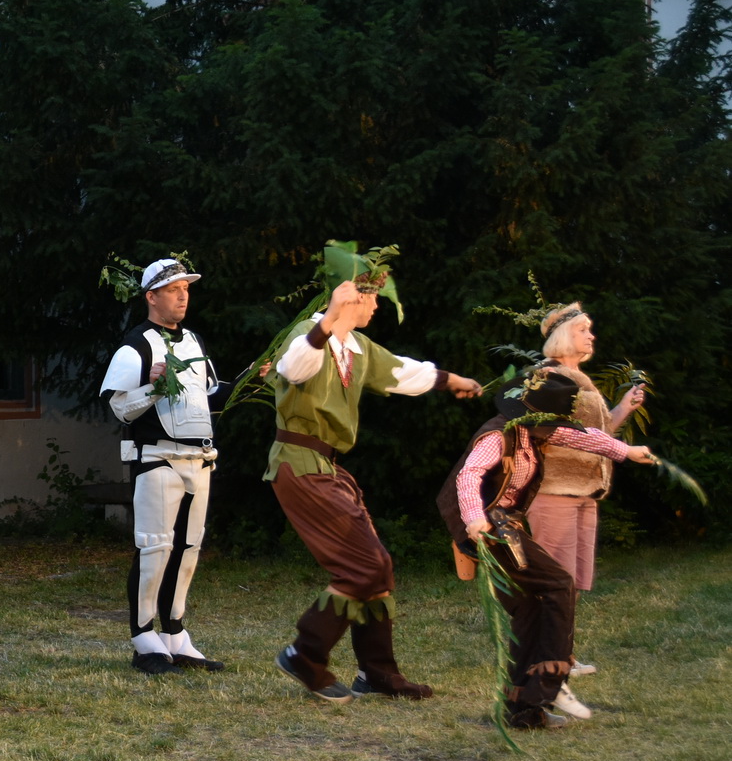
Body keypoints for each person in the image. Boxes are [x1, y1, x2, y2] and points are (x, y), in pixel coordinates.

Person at [267, 255, 480, 703]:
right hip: (299, 464)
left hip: (328, 468)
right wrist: (327, 319)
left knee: (377, 566)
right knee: (363, 567)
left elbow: (406, 372)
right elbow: (293, 368)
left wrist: (454, 379)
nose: (376, 306)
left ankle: (379, 674)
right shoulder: (312, 334)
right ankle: (305, 654)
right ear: (351, 296)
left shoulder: (358, 348)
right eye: (372, 297)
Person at [440, 369, 654, 729]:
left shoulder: (534, 429)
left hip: (506, 524)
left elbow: (583, 438)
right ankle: (550, 682)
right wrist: (475, 519)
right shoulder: (498, 434)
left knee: (528, 610)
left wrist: (626, 451)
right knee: (557, 583)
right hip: (488, 528)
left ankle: (523, 711)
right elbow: (469, 475)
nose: (556, 427)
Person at [98, 257, 229, 675]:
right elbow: (119, 409)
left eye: (186, 288)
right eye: (174, 289)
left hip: (199, 460)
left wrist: (249, 380)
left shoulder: (194, 341)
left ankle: (175, 634)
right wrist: (153, 387)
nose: (182, 295)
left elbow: (208, 394)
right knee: (155, 548)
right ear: (151, 297)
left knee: (189, 549)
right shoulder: (135, 344)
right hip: (156, 458)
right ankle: (143, 638)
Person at [527, 302, 645, 679]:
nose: (592, 336)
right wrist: (623, 450)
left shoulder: (579, 378)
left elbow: (597, 434)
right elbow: (556, 433)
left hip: (584, 492)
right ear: (563, 336)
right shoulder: (550, 378)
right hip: (554, 491)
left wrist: (623, 409)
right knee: (555, 581)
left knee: (571, 581)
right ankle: (544, 658)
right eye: (584, 329)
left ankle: (564, 655)